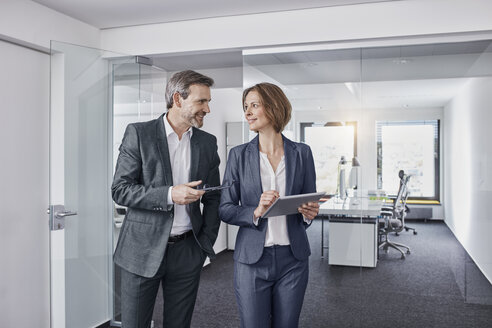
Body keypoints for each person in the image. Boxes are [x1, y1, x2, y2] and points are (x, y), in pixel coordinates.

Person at [112, 70, 221, 328]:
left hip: (187, 251)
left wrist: (204, 242)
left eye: (208, 102)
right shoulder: (139, 133)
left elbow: (215, 197)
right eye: (201, 101)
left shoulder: (207, 143)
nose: (207, 109)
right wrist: (170, 194)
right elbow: (120, 189)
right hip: (141, 250)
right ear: (178, 99)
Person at [219, 82, 320, 328]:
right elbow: (225, 207)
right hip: (252, 261)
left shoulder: (302, 153)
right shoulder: (238, 155)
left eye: (255, 105)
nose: (248, 112)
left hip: (293, 260)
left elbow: (308, 201)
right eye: (245, 107)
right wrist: (255, 210)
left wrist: (309, 213)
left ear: (274, 107)